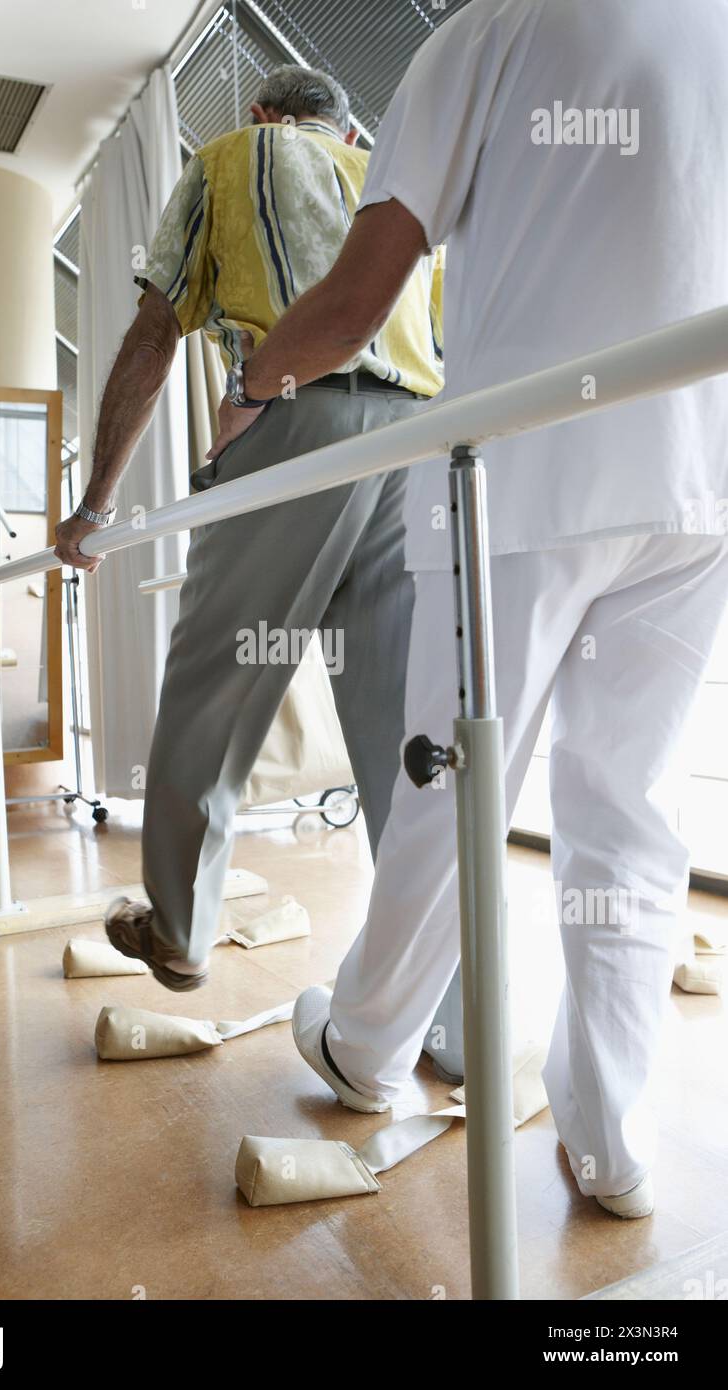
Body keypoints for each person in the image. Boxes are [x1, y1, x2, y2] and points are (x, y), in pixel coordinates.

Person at [213, 0, 728, 1217]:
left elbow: (359, 290)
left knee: (452, 786)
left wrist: (245, 391)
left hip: (529, 473)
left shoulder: (489, 31)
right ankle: (611, 1141)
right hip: (700, 475)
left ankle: (369, 1046)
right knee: (630, 809)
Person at [54, 67, 459, 1021]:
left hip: (296, 425)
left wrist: (94, 506)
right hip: (415, 448)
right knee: (403, 729)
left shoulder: (235, 156)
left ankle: (180, 929)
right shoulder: (388, 186)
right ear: (346, 129)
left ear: (264, 115)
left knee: (219, 683)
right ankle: (447, 1016)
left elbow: (156, 332)